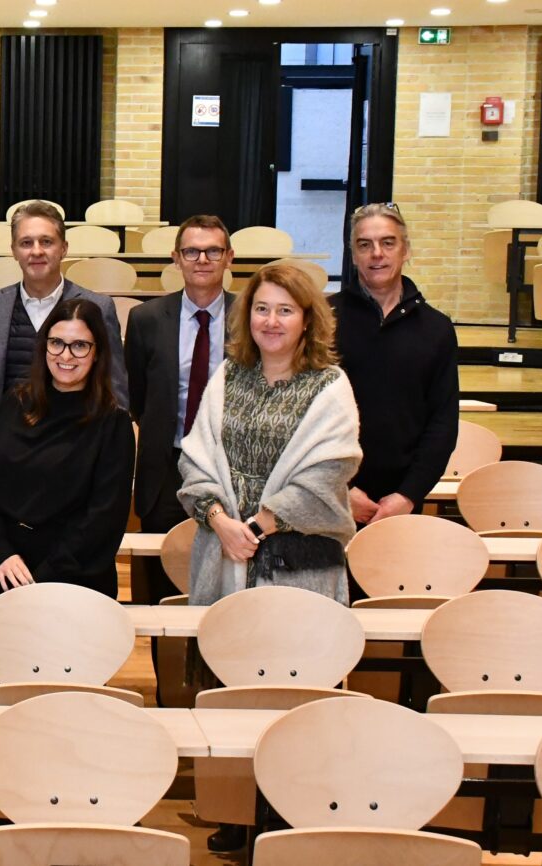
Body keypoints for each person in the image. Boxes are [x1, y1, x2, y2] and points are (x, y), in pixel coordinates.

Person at [177, 263, 361, 852]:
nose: (271, 320)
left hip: (300, 563)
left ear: (307, 318)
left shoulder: (330, 384)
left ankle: (292, 818)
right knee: (235, 690)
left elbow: (330, 469)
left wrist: (257, 523)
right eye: (261, 309)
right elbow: (195, 458)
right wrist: (218, 519)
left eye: (285, 309)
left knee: (293, 695)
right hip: (227, 553)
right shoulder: (229, 376)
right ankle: (236, 813)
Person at [0, 298, 135, 692]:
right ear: (44, 348)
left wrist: (45, 580)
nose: (66, 355)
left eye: (80, 345)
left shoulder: (113, 423)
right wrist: (2, 552)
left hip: (74, 576)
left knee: (62, 696)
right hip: (10, 568)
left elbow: (104, 516)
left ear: (98, 353)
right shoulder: (14, 403)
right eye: (56, 343)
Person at [0, 200, 127, 515]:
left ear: (63, 248)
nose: (36, 251)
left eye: (46, 242)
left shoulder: (98, 307)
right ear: (14, 250)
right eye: (26, 242)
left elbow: (116, 394)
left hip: (75, 458)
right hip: (4, 456)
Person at [124, 215, 236, 606]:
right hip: (167, 468)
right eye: (191, 251)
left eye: (212, 251)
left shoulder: (252, 318)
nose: (202, 259)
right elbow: (138, 397)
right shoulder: (146, 320)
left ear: (229, 257)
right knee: (164, 588)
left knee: (230, 581)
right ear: (176, 258)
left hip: (232, 469)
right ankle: (166, 668)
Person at [330, 203, 458, 525]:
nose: (377, 253)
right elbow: (303, 414)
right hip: (329, 497)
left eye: (388, 243)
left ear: (406, 250)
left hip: (402, 503)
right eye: (364, 245)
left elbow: (442, 422)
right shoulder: (323, 319)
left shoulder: (437, 329)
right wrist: (341, 487)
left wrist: (409, 494)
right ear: (353, 254)